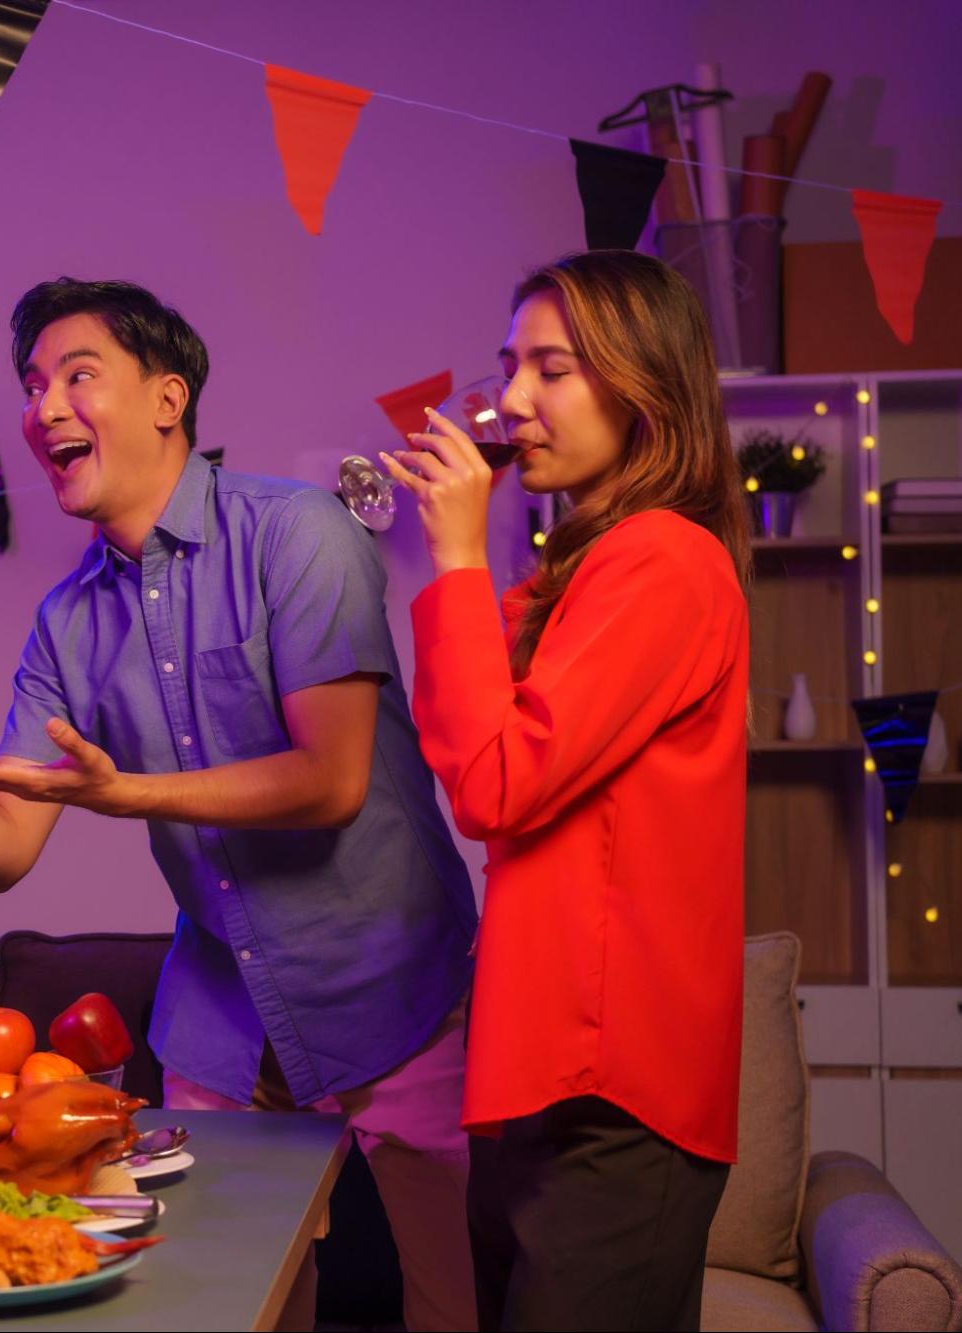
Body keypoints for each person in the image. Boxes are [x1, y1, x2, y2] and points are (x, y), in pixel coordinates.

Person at [0, 279, 480, 1330]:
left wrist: (121, 794)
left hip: (393, 988)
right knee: (228, 1308)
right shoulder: (67, 621)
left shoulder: (298, 534)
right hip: (220, 1022)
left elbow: (330, 780)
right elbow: (5, 844)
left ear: (167, 399)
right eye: (31, 386)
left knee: (442, 1301)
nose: (43, 408)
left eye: (77, 375)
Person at [380, 249, 750, 1331]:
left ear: (642, 388)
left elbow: (495, 785)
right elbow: (479, 747)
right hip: (542, 1077)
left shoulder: (662, 560)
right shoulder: (580, 572)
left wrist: (452, 558)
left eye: (554, 369)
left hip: (612, 1084)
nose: (513, 402)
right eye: (510, 368)